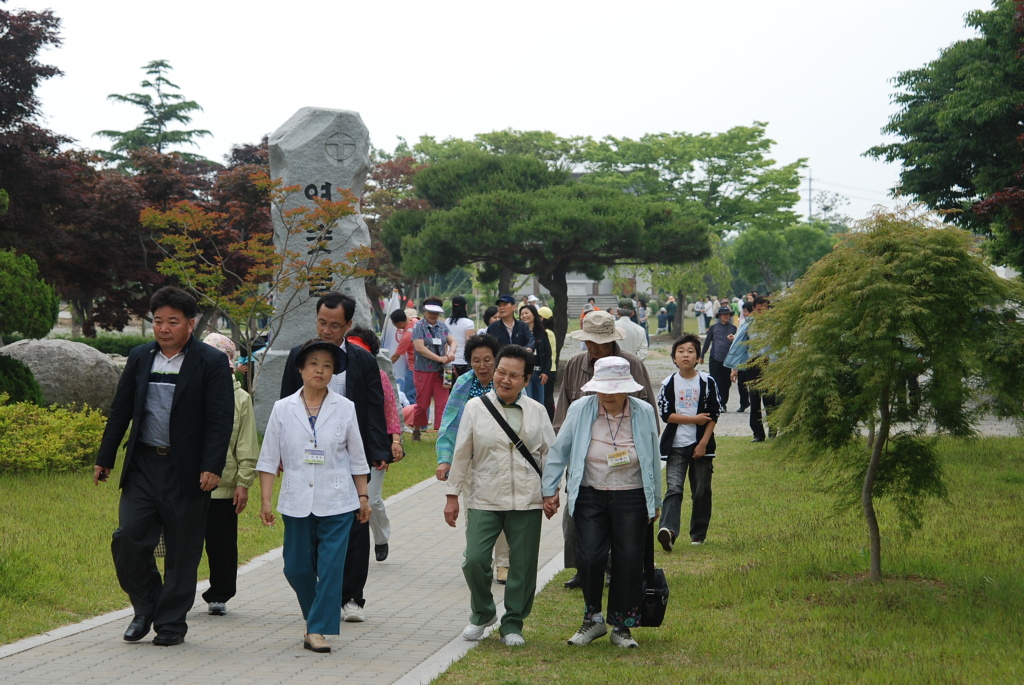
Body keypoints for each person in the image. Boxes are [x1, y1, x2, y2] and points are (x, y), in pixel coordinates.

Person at [94, 286, 234, 646]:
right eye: (158, 321)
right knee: (128, 540)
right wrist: (105, 458)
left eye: (173, 321)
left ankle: (171, 624)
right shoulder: (141, 357)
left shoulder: (211, 363)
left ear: (191, 324)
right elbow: (121, 408)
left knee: (182, 550)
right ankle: (145, 607)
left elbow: (220, 419)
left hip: (186, 471)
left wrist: (212, 465)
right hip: (142, 464)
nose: (164, 328)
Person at [280, 291, 390, 623]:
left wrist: (378, 450)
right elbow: (286, 405)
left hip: (349, 456)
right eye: (322, 323)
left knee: (356, 524)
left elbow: (373, 409)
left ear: (348, 325)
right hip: (309, 458)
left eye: (334, 325)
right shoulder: (300, 355)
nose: (326, 331)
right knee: (312, 524)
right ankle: (319, 590)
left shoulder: (363, 361)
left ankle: (352, 596)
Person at [258, 339, 372, 654]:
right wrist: (266, 501)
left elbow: (357, 458)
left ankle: (317, 629)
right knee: (295, 567)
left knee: (333, 566)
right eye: (313, 364)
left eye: (326, 366)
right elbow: (268, 459)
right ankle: (317, 614)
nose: (319, 371)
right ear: (301, 368)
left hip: (338, 499)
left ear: (333, 372)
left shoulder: (345, 407)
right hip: (296, 500)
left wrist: (363, 496)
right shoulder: (283, 409)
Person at [542, 357, 662, 648]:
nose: (608, 394)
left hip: (632, 493)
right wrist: (549, 489)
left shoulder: (643, 411)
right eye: (603, 388)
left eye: (615, 388)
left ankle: (622, 625)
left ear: (628, 389)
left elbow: (652, 455)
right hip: (590, 492)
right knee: (590, 557)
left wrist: (654, 500)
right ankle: (592, 619)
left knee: (629, 561)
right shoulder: (581, 408)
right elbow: (561, 449)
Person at [444, 345, 555, 648]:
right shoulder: (475, 407)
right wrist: (452, 494)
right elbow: (462, 452)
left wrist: (551, 492)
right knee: (474, 560)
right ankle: (482, 613)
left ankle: (513, 623)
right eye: (501, 372)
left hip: (527, 498)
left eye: (514, 375)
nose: (505, 379)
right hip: (484, 496)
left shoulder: (537, 411)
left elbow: (550, 455)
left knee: (522, 565)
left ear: (526, 379)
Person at [553, 309, 658, 589]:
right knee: (575, 517)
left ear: (612, 340)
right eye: (590, 342)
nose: (595, 347)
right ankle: (583, 568)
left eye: (601, 341)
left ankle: (614, 569)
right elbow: (563, 409)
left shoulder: (632, 364)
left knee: (622, 523)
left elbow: (649, 414)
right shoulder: (576, 365)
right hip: (582, 459)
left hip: (626, 465)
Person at [435, 334, 511, 584]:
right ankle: (479, 560)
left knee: (501, 511)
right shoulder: (463, 384)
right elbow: (450, 422)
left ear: (496, 360)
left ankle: (504, 563)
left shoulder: (505, 384)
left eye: (487, 360)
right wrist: (445, 459)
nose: (482, 365)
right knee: (474, 511)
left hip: (500, 459)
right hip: (470, 460)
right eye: (476, 360)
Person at [200, 333, 259, 617]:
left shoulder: (240, 399)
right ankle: (178, 593)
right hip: (187, 484)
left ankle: (219, 594)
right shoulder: (188, 391)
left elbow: (246, 443)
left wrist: (243, 482)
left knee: (222, 545)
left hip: (224, 486)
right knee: (183, 545)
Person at [346, 326, 405, 562]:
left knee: (371, 497)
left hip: (375, 446)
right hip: (345, 448)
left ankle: (381, 538)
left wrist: (395, 441)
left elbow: (391, 409)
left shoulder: (379, 376)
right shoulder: (336, 373)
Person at [658, 334, 722, 549]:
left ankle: (698, 534)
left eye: (691, 351)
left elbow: (713, 414)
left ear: (698, 357)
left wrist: (703, 442)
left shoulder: (707, 381)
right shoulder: (668, 383)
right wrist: (694, 419)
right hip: (675, 446)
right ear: (674, 357)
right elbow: (666, 415)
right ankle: (668, 530)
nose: (685, 355)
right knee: (674, 489)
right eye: (681, 351)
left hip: (701, 445)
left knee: (701, 490)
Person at [726, 296, 776, 442]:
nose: (761, 312)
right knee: (754, 400)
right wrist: (734, 369)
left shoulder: (774, 324)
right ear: (753, 309)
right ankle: (758, 434)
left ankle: (773, 429)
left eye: (764, 309)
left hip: (769, 363)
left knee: (770, 399)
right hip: (752, 364)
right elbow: (739, 345)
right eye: (758, 309)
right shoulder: (747, 323)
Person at [410, 296, 458, 441]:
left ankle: (442, 433)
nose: (433, 315)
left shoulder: (442, 326)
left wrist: (451, 352)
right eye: (430, 312)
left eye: (436, 312)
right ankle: (417, 429)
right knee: (422, 403)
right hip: (423, 371)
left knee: (443, 402)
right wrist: (439, 358)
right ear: (424, 311)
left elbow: (453, 341)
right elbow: (419, 347)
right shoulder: (419, 326)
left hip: (442, 372)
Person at [699, 306, 737, 411]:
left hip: (728, 361)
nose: (726, 316)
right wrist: (702, 355)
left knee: (727, 383)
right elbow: (707, 342)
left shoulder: (733, 328)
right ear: (719, 316)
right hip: (715, 359)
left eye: (728, 314)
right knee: (716, 382)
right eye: (724, 314)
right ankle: (720, 404)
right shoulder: (714, 328)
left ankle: (724, 402)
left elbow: (737, 345)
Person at [519, 303, 550, 403]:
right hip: (525, 373)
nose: (524, 316)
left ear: (533, 315)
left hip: (539, 373)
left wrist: (545, 372)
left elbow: (548, 353)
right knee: (527, 401)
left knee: (539, 403)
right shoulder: (519, 333)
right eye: (522, 314)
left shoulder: (542, 333)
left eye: (526, 313)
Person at [446, 295, 477, 380]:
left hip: (448, 361)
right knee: (464, 388)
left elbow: (445, 342)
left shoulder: (447, 321)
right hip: (464, 362)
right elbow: (469, 342)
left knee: (448, 387)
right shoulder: (469, 323)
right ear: (465, 307)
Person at [537, 306, 559, 420]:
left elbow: (548, 353)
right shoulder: (548, 332)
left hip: (549, 369)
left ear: (541, 318)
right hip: (550, 368)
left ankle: (550, 420)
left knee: (547, 398)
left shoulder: (547, 333)